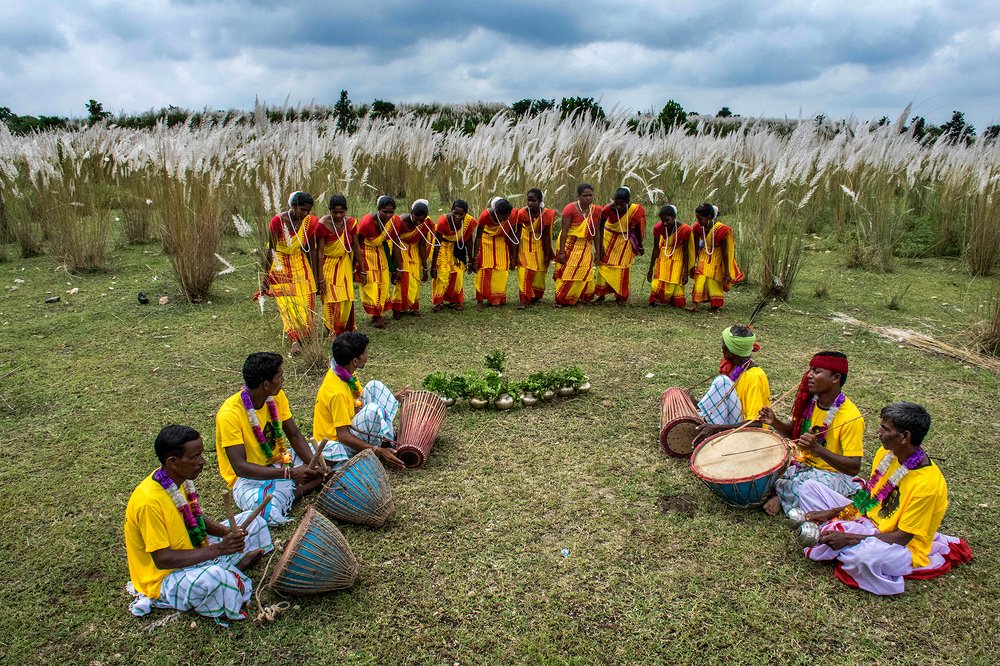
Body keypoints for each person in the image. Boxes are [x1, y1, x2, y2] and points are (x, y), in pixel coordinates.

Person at [798, 402, 972, 595]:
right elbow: (868, 499)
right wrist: (832, 512)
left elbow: (902, 537)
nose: (878, 431)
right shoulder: (886, 454)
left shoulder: (928, 484)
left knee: (866, 558)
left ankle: (835, 539)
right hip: (866, 521)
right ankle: (835, 537)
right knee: (808, 489)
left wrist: (851, 538)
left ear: (905, 436)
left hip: (899, 545)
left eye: (885, 428)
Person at [124, 425, 272, 623]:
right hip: (164, 577)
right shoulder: (149, 502)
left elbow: (191, 519)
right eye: (195, 457)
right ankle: (233, 569)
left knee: (255, 524)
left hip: (192, 548)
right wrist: (220, 549)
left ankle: (232, 568)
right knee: (215, 579)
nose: (202, 461)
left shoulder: (174, 479)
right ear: (173, 462)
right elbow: (163, 559)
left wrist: (225, 531)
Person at [215, 352, 326, 525]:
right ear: (266, 384)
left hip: (280, 460)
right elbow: (240, 467)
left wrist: (315, 465)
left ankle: (306, 480)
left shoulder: (275, 396)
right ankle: (304, 485)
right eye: (280, 376)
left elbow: (294, 434)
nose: (283, 380)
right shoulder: (229, 414)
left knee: (331, 452)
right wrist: (291, 473)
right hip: (249, 479)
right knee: (269, 510)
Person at [759, 352, 864, 516]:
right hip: (801, 464)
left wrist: (817, 449)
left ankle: (779, 495)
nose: (809, 375)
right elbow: (793, 433)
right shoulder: (809, 401)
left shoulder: (850, 417)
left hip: (831, 475)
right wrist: (775, 421)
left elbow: (853, 468)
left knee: (807, 488)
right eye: (810, 370)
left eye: (816, 371)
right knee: (764, 465)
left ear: (835, 378)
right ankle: (783, 494)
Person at [313, 331, 408, 469]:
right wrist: (376, 450)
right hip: (336, 445)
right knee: (373, 410)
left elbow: (358, 400)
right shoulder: (337, 393)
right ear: (355, 361)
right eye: (365, 352)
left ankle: (389, 440)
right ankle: (387, 445)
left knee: (375, 386)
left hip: (347, 426)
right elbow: (343, 436)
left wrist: (393, 397)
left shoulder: (342, 370)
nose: (367, 354)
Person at [263, 191, 318, 353]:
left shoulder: (310, 222)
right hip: (280, 264)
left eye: (308, 210)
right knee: (286, 303)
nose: (305, 213)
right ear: (293, 206)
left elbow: (312, 250)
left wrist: (315, 274)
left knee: (304, 300)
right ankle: (294, 339)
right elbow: (271, 250)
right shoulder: (277, 221)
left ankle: (305, 333)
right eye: (302, 209)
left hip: (300, 262)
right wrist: (266, 276)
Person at [695, 325, 770, 436]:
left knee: (722, 381)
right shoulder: (737, 368)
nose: (722, 348)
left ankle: (711, 427)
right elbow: (726, 403)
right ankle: (707, 421)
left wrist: (717, 429)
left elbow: (757, 423)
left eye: (724, 345)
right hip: (735, 423)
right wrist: (694, 403)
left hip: (749, 433)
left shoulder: (755, 377)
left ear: (729, 351)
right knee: (723, 382)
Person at [356, 195, 405, 329]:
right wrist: (359, 266)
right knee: (372, 284)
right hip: (366, 253)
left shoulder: (395, 222)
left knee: (383, 283)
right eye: (385, 212)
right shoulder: (366, 222)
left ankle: (378, 313)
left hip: (381, 253)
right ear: (378, 209)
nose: (388, 215)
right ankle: (376, 315)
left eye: (391, 212)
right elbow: (358, 245)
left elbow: (396, 245)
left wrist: (398, 268)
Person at [314, 194, 359, 336]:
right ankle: (332, 330)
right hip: (328, 265)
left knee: (346, 297)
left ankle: (344, 328)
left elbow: (357, 247)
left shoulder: (351, 223)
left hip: (345, 263)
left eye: (342, 212)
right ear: (329, 210)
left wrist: (362, 270)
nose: (338, 215)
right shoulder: (322, 224)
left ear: (346, 210)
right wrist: (320, 277)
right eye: (335, 212)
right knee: (332, 298)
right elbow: (319, 252)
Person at [687, 203, 744, 313]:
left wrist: (727, 272)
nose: (698, 221)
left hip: (716, 257)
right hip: (703, 255)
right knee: (699, 278)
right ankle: (695, 303)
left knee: (714, 281)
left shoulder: (722, 230)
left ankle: (715, 305)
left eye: (700, 219)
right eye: (697, 218)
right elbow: (694, 247)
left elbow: (725, 252)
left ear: (709, 217)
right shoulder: (697, 227)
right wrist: (692, 264)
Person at [595, 186, 646, 305]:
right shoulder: (607, 209)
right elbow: (600, 227)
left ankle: (620, 296)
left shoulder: (635, 210)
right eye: (616, 203)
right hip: (608, 238)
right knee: (604, 266)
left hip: (624, 241)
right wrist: (600, 246)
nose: (618, 207)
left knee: (623, 268)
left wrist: (640, 245)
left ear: (628, 202)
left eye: (622, 204)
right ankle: (601, 295)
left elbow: (637, 228)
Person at [553, 183, 601, 307]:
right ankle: (563, 298)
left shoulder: (596, 211)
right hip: (570, 244)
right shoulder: (570, 209)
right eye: (585, 196)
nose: (588, 198)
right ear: (578, 196)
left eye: (590, 195)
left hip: (585, 245)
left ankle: (580, 297)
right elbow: (564, 231)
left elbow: (596, 232)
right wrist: (562, 252)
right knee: (568, 271)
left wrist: (598, 251)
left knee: (584, 270)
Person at [390, 200, 434, 318]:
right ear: (411, 213)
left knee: (415, 278)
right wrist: (396, 267)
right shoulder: (399, 222)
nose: (419, 222)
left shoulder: (425, 224)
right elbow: (395, 244)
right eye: (416, 219)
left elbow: (422, 245)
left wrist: (425, 267)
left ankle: (413, 306)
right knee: (403, 277)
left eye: (422, 219)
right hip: (400, 248)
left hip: (414, 249)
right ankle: (397, 308)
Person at [431, 199, 477, 312]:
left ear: (465, 214)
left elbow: (469, 242)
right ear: (451, 210)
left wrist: (471, 260)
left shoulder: (469, 222)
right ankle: (438, 302)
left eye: (461, 214)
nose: (457, 216)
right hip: (442, 246)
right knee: (442, 273)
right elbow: (437, 243)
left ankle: (455, 300)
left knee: (458, 273)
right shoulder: (443, 221)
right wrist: (433, 265)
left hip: (457, 247)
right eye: (455, 213)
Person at [513, 188, 555, 308]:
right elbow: (517, 234)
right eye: (528, 200)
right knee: (525, 270)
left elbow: (546, 236)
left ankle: (535, 296)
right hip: (525, 243)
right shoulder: (522, 213)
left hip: (539, 245)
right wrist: (515, 254)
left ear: (540, 200)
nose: (530, 203)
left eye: (533, 200)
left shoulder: (547, 214)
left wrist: (547, 255)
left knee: (539, 273)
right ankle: (524, 299)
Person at [472, 197, 517, 307]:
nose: (507, 218)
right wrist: (474, 257)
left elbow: (512, 235)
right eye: (504, 216)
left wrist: (513, 257)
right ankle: (480, 300)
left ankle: (496, 299)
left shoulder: (511, 215)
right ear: (497, 212)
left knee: (501, 270)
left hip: (501, 242)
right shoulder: (485, 215)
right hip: (486, 241)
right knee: (485, 269)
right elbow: (478, 237)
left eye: (508, 215)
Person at [647, 205, 694, 307]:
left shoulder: (685, 229)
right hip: (664, 255)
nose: (664, 223)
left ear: (674, 217)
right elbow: (655, 249)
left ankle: (673, 299)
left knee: (675, 282)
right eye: (662, 220)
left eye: (667, 220)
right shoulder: (658, 228)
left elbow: (686, 250)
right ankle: (654, 300)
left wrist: (685, 272)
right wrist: (650, 269)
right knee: (658, 281)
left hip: (678, 255)